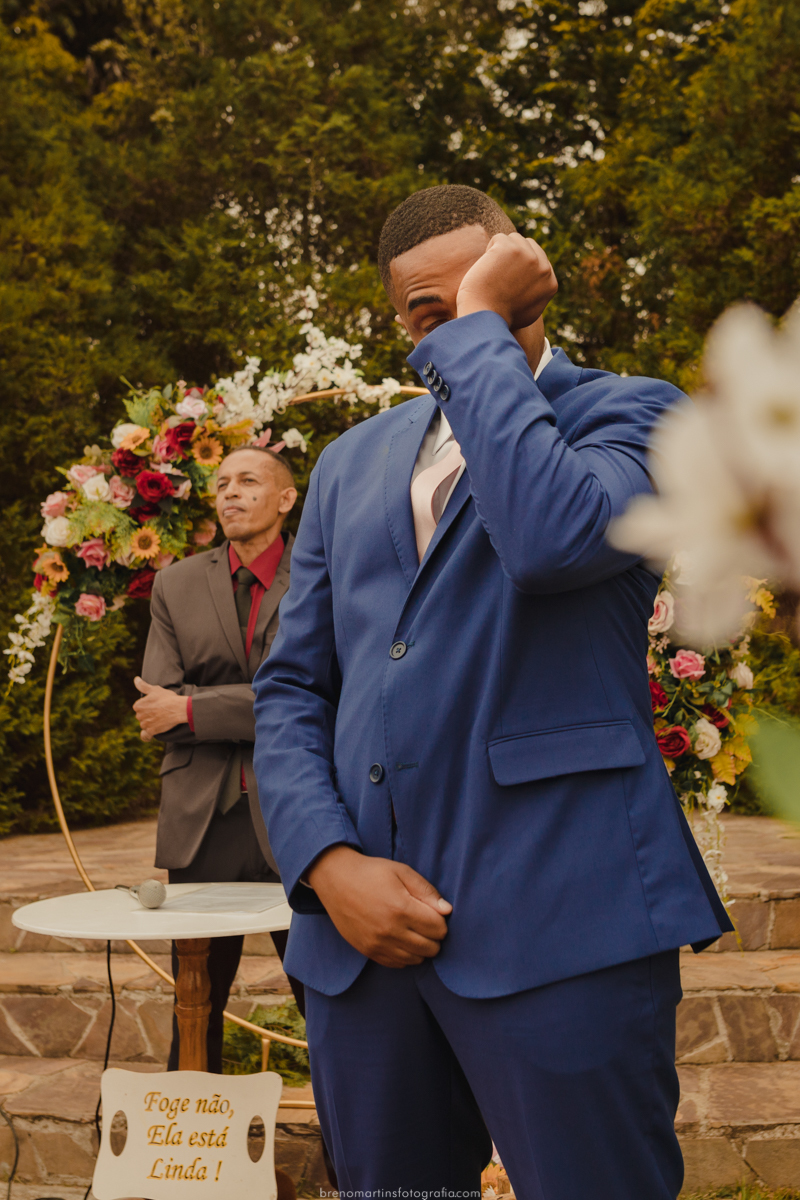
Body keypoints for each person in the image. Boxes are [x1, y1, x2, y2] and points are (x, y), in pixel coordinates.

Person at [252, 185, 733, 1198]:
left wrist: (475, 326)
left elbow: (550, 540)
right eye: (428, 315)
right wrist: (327, 865)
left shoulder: (636, 414)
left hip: (563, 922)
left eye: (483, 293)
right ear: (402, 328)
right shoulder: (347, 464)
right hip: (360, 947)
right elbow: (293, 687)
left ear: (527, 279)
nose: (461, 326)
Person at [133, 444, 298, 1072]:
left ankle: (357, 1138)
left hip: (300, 810)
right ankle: (189, 1131)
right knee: (194, 1007)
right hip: (202, 816)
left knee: (329, 1001)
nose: (230, 492)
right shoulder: (174, 584)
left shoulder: (322, 576)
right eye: (222, 482)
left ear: (285, 499)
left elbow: (320, 697)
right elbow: (157, 706)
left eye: (248, 480)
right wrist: (241, 706)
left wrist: (195, 709)